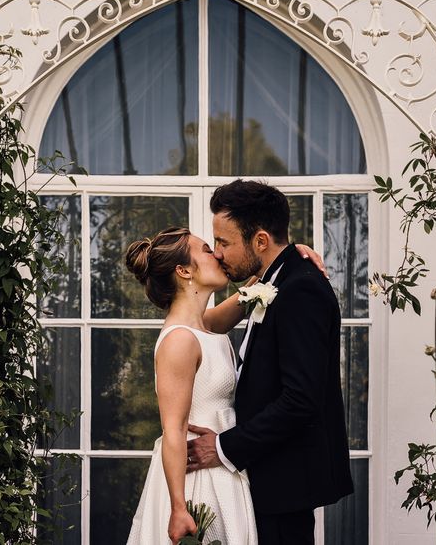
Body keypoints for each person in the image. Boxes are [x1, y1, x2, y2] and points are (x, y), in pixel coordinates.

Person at [125, 227, 325, 545]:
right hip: (197, 479)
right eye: (207, 249)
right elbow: (172, 430)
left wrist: (289, 253)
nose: (217, 254)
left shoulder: (205, 325)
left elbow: (253, 291)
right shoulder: (179, 340)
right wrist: (178, 508)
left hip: (224, 465)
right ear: (184, 271)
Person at [186, 180, 354, 545]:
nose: (217, 253)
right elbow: (205, 325)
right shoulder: (277, 279)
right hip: (264, 479)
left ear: (260, 241)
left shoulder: (301, 288)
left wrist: (222, 448)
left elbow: (300, 401)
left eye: (224, 242)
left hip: (284, 484)